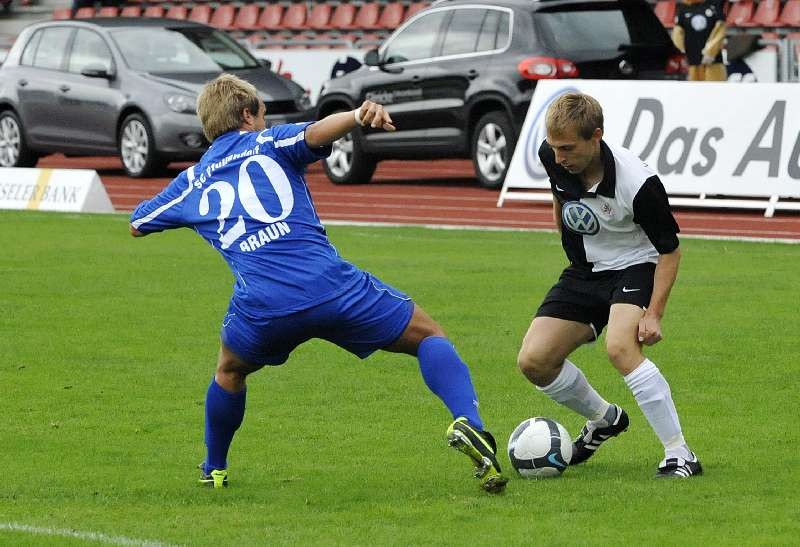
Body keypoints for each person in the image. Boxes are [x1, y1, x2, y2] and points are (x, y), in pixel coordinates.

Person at [129, 74, 507, 493]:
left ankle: (214, 469)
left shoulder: (192, 181)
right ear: (247, 115)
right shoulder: (269, 142)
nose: (265, 121)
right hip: (330, 287)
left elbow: (138, 222)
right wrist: (357, 115)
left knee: (230, 370)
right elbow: (315, 133)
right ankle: (470, 424)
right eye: (263, 114)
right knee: (428, 336)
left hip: (263, 306)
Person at [517, 92, 702, 478]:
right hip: (585, 271)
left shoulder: (638, 184)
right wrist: (567, 241)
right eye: (554, 147)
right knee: (534, 361)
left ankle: (680, 453)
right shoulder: (552, 156)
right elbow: (559, 195)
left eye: (568, 148)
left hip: (636, 266)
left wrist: (654, 314)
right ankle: (604, 419)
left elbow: (670, 252)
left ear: (596, 137)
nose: (559, 157)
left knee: (620, 348)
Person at [671, 0, 727, 81]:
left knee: (715, 88)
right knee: (693, 88)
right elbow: (677, 35)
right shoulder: (684, 9)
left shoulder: (715, 5)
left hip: (713, 61)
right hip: (692, 61)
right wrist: (682, 53)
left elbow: (720, 31)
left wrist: (711, 52)